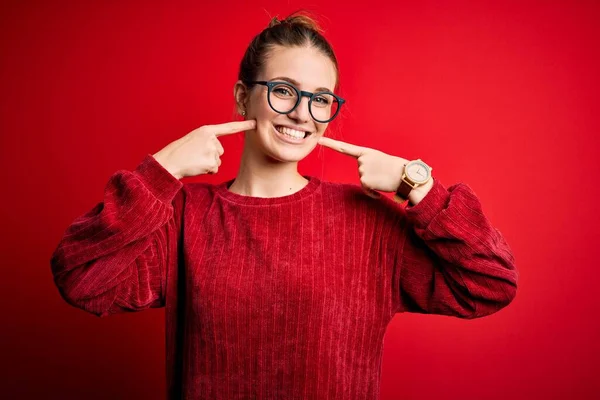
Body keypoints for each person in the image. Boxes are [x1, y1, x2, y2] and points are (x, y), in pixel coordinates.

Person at [50, 12, 518, 400]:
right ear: (242, 97)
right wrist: (163, 169)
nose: (301, 114)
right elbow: (83, 279)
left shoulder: (366, 220)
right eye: (283, 90)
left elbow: (489, 283)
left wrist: (414, 184)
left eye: (320, 100)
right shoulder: (184, 217)